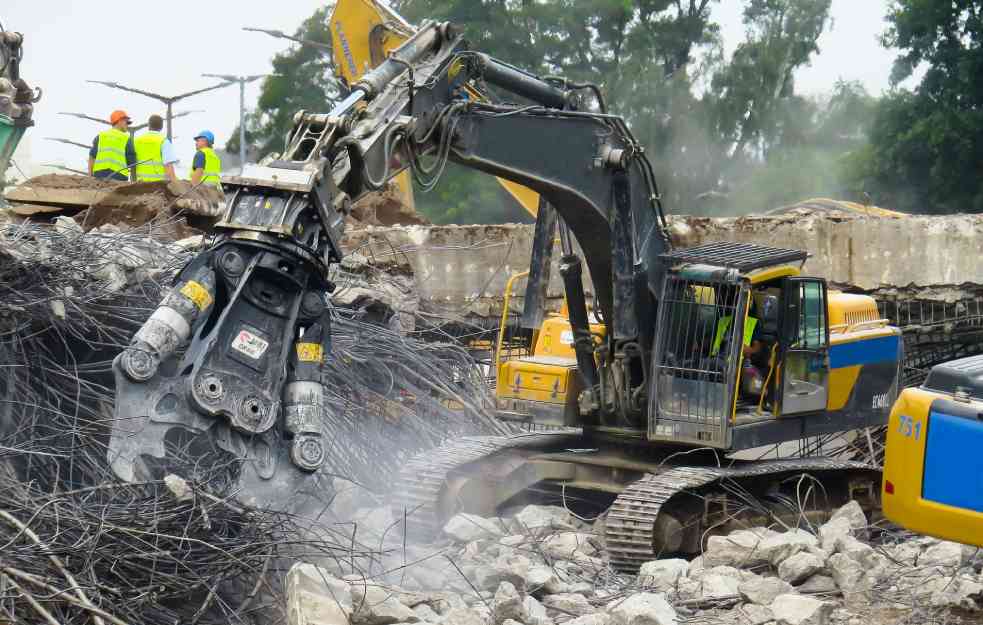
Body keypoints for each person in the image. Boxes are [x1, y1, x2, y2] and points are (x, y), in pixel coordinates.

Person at [88, 110, 136, 181]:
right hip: (119, 176)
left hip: (99, 175)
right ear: (120, 121)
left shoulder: (101, 136)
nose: (127, 125)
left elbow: (91, 158)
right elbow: (132, 162)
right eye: (127, 122)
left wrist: (90, 177)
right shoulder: (126, 138)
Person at [133, 114, 178, 182]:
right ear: (161, 127)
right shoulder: (164, 141)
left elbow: (132, 164)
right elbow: (168, 167)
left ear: (149, 125)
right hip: (158, 186)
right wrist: (176, 185)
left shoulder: (137, 141)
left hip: (140, 184)